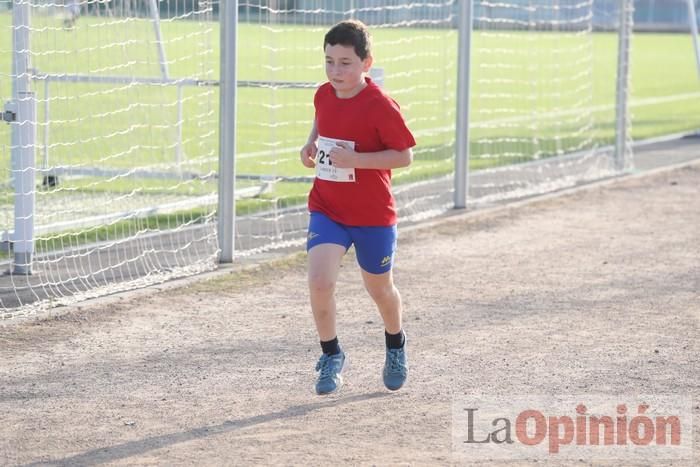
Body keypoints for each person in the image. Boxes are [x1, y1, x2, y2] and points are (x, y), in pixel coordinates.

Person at [299, 19, 416, 395]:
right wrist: (310, 146)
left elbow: (403, 157)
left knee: (380, 290)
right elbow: (320, 127)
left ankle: (395, 344)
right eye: (329, 61)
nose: (336, 71)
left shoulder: (380, 105)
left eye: (345, 62)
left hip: (372, 216)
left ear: (367, 62)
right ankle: (331, 355)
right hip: (328, 208)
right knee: (319, 282)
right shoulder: (323, 94)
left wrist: (356, 161)